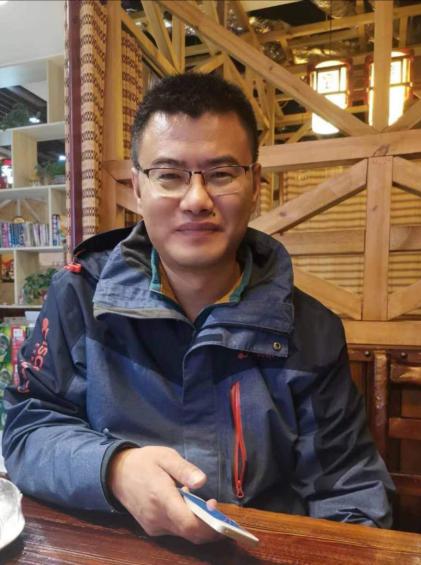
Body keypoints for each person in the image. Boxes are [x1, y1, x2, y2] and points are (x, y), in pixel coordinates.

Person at [2, 73, 394, 543]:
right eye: (169, 176)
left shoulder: (311, 330)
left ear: (255, 184)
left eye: (222, 174)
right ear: (138, 188)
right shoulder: (80, 297)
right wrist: (114, 468)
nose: (196, 200)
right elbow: (28, 428)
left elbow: (350, 493)